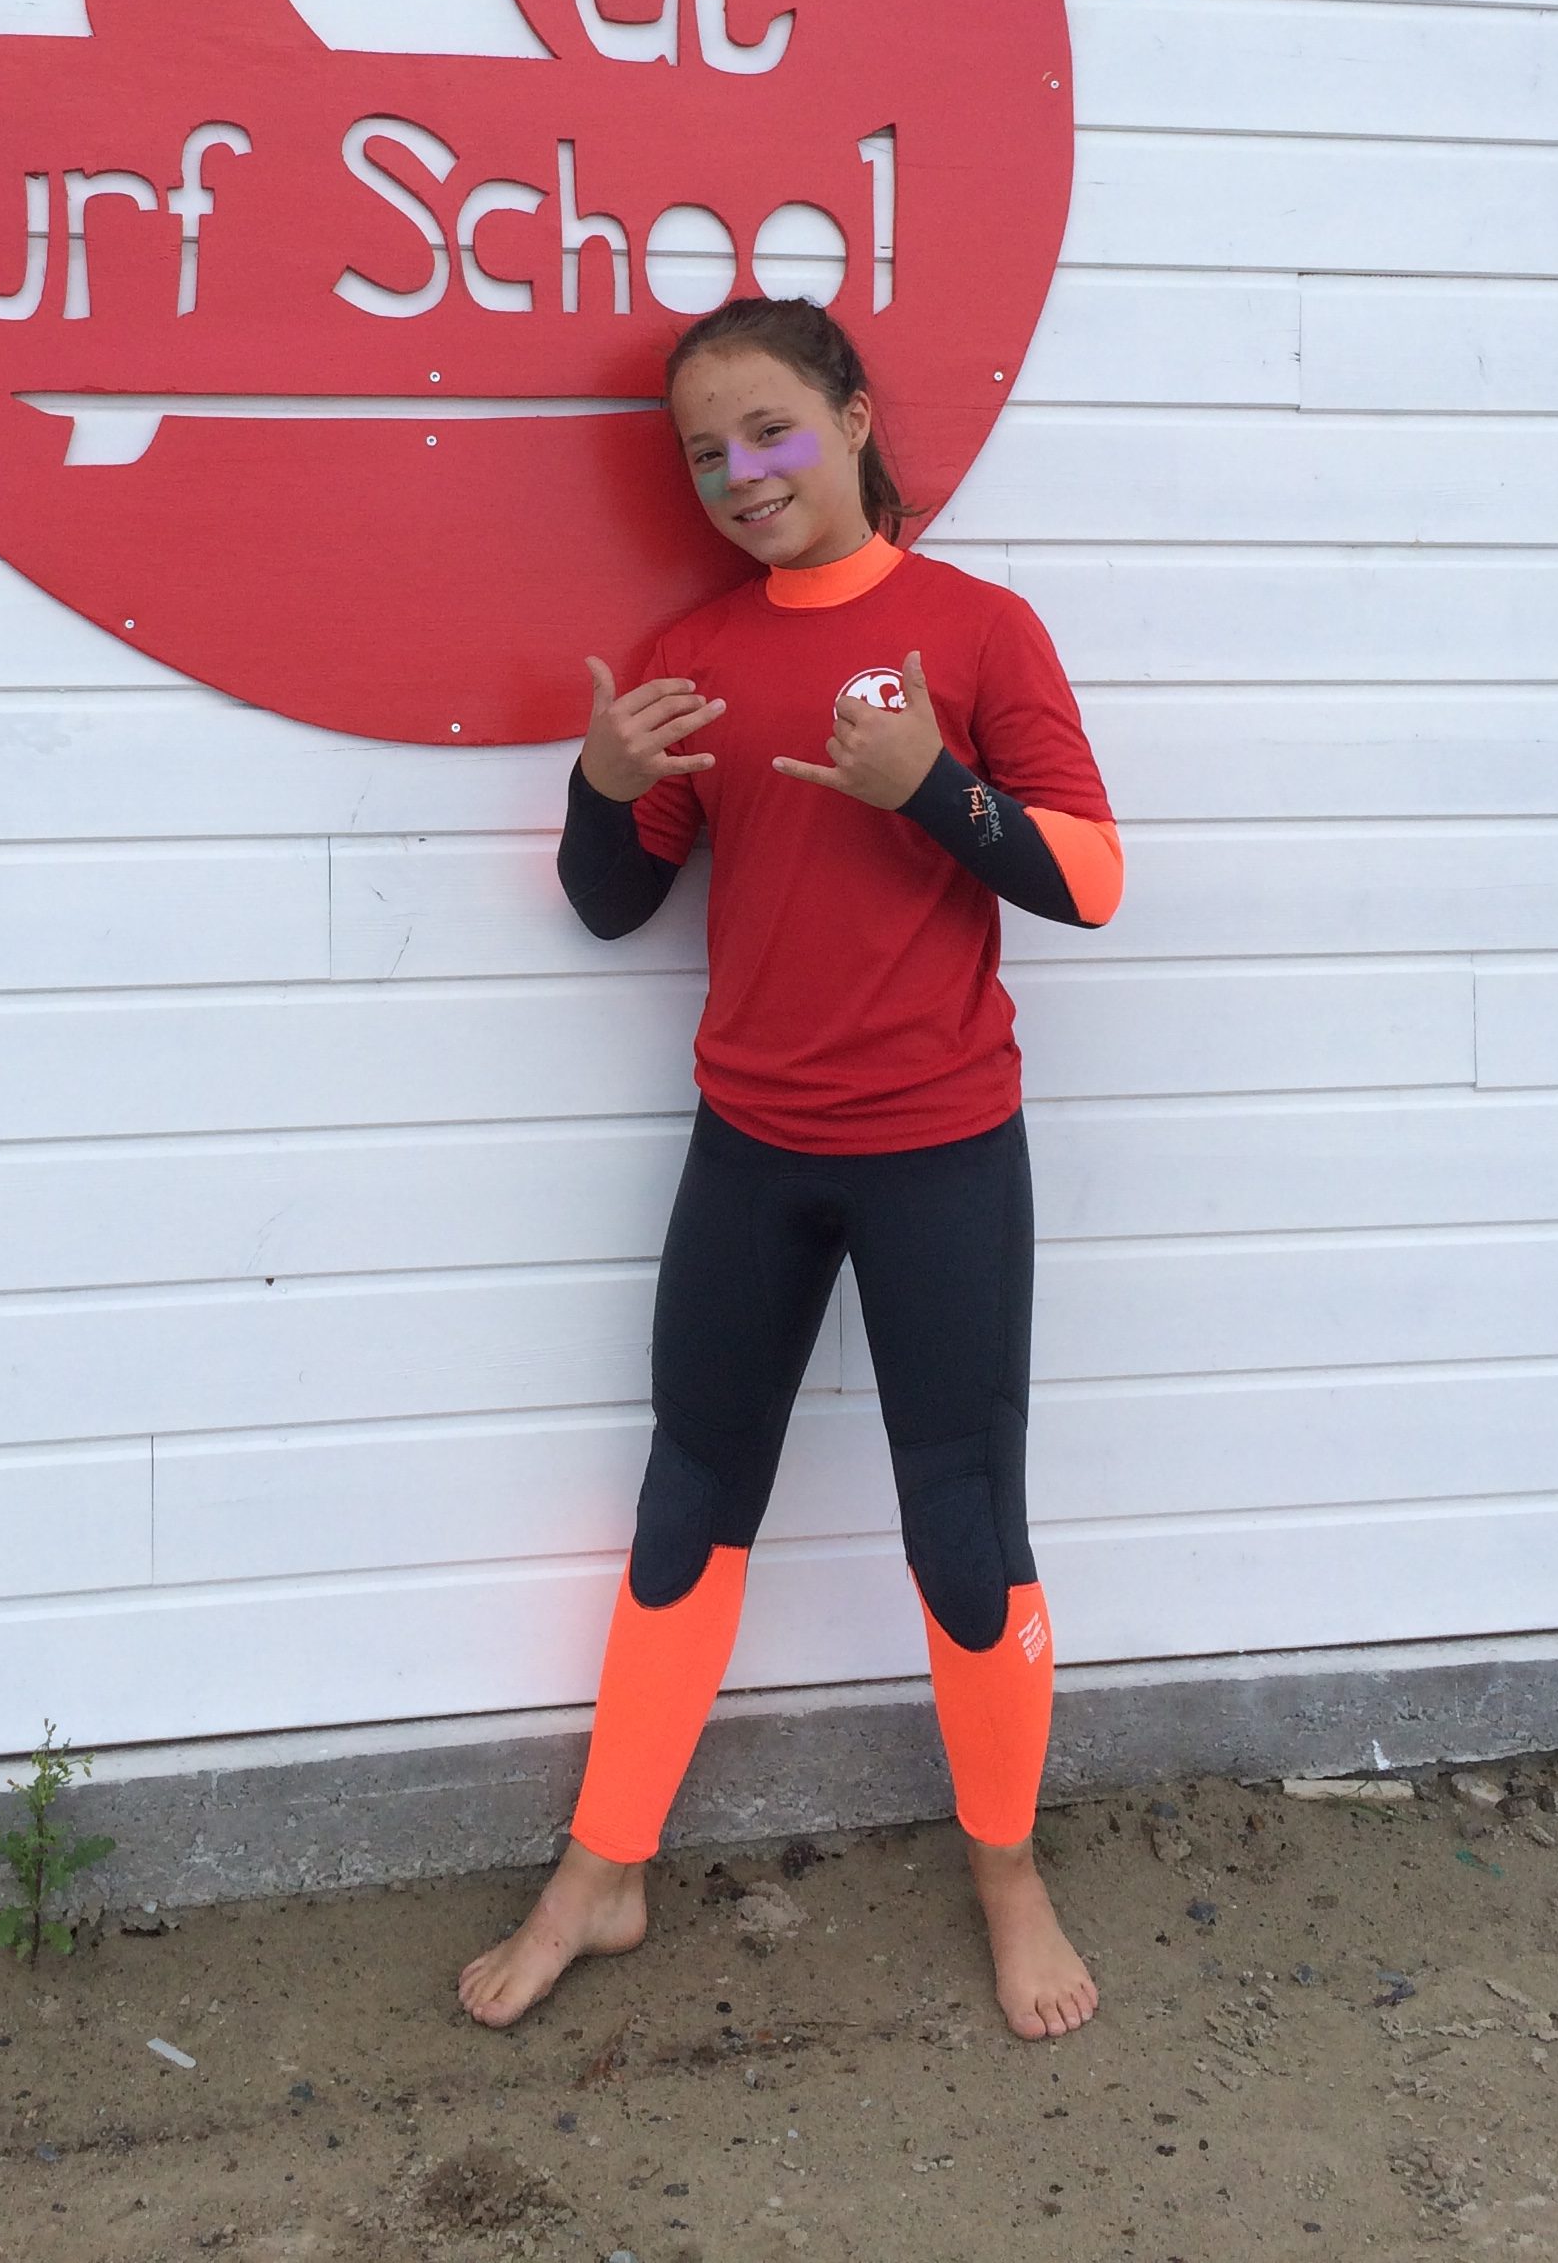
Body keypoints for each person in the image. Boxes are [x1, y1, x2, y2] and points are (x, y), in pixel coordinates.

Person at [457, 296, 1123, 2042]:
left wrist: (931, 787)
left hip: (942, 1154)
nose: (741, 474)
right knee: (687, 1508)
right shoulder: (696, 652)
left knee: (965, 1530)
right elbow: (612, 906)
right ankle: (602, 1870)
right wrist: (600, 787)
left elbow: (1090, 877)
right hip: (750, 1151)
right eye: (705, 454)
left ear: (853, 415)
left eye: (769, 430)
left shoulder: (978, 631)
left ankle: (1008, 1875)